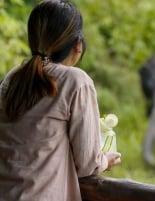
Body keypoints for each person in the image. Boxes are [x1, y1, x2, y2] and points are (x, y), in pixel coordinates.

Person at [0, 1, 121, 200]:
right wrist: (104, 161)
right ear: (78, 45)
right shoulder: (76, 81)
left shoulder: (12, 77)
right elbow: (87, 164)